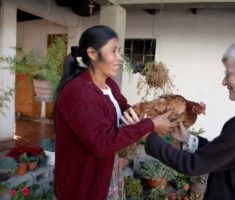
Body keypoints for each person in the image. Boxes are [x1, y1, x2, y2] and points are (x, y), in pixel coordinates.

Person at [143, 37, 235, 200]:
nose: (223, 81)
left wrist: (147, 135)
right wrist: (188, 139)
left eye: (228, 74)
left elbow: (194, 165)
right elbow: (227, 152)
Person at [53, 25, 175, 200]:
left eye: (119, 51)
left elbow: (127, 111)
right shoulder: (79, 93)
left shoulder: (109, 85)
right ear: (92, 54)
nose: (120, 58)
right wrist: (151, 125)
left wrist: (160, 110)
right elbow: (103, 142)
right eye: (114, 51)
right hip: (83, 184)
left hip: (106, 172)